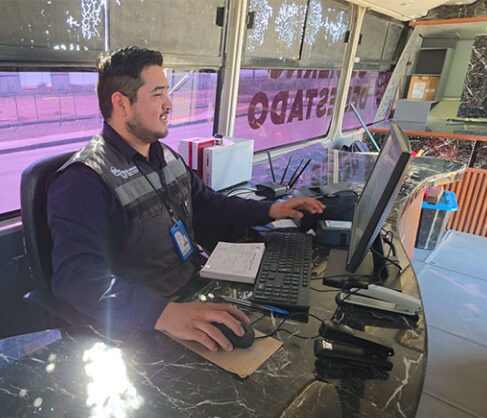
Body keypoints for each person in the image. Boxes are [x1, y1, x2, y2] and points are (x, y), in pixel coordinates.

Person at [46, 46, 324, 352]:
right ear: (121, 104)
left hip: (194, 290)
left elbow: (208, 203)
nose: (169, 104)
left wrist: (272, 209)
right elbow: (76, 277)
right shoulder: (83, 180)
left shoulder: (164, 154)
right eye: (158, 94)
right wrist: (162, 313)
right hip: (147, 326)